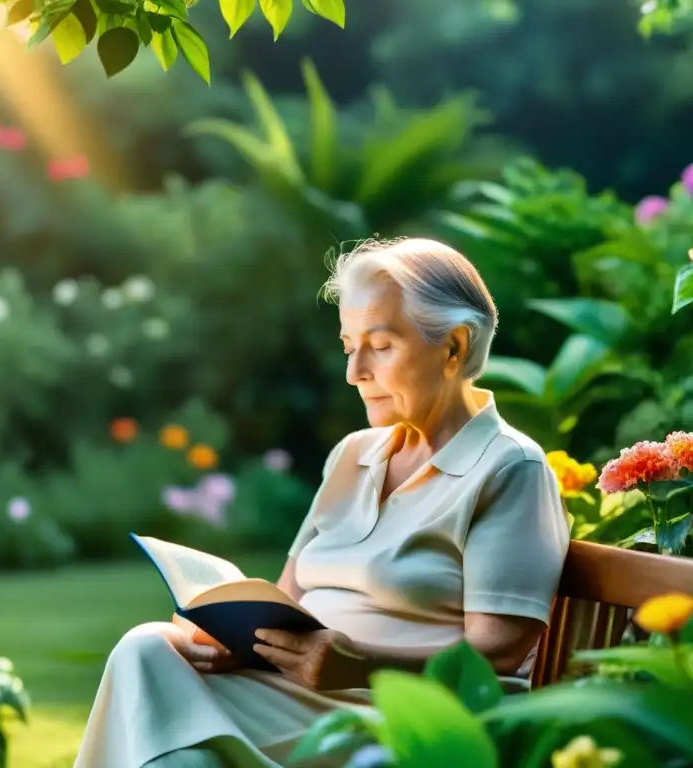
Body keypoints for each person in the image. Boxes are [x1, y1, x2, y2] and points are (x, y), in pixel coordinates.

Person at [73, 237, 571, 768]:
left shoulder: (509, 466)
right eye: (347, 346)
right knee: (149, 648)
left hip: (400, 716)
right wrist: (222, 636)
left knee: (168, 740)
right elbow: (290, 597)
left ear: (453, 347)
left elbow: (498, 653)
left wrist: (359, 666)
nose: (355, 371)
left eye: (379, 346)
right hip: (303, 698)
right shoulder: (352, 455)